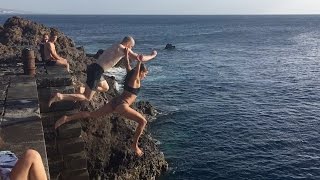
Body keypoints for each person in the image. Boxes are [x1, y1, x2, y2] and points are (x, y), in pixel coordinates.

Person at [55, 53, 150, 157]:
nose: (145, 75)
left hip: (115, 102)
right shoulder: (135, 79)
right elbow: (136, 68)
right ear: (140, 72)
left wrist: (127, 54)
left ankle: (67, 118)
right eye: (145, 73)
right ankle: (134, 145)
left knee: (91, 114)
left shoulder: (129, 75)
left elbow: (127, 63)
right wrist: (140, 61)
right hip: (122, 105)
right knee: (143, 121)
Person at [48, 36, 157, 107]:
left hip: (96, 69)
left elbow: (126, 60)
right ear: (128, 44)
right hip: (96, 71)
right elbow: (140, 58)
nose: (131, 48)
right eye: (132, 46)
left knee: (106, 87)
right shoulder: (122, 48)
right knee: (87, 98)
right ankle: (60, 97)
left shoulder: (117, 45)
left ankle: (82, 89)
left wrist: (127, 56)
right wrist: (153, 55)